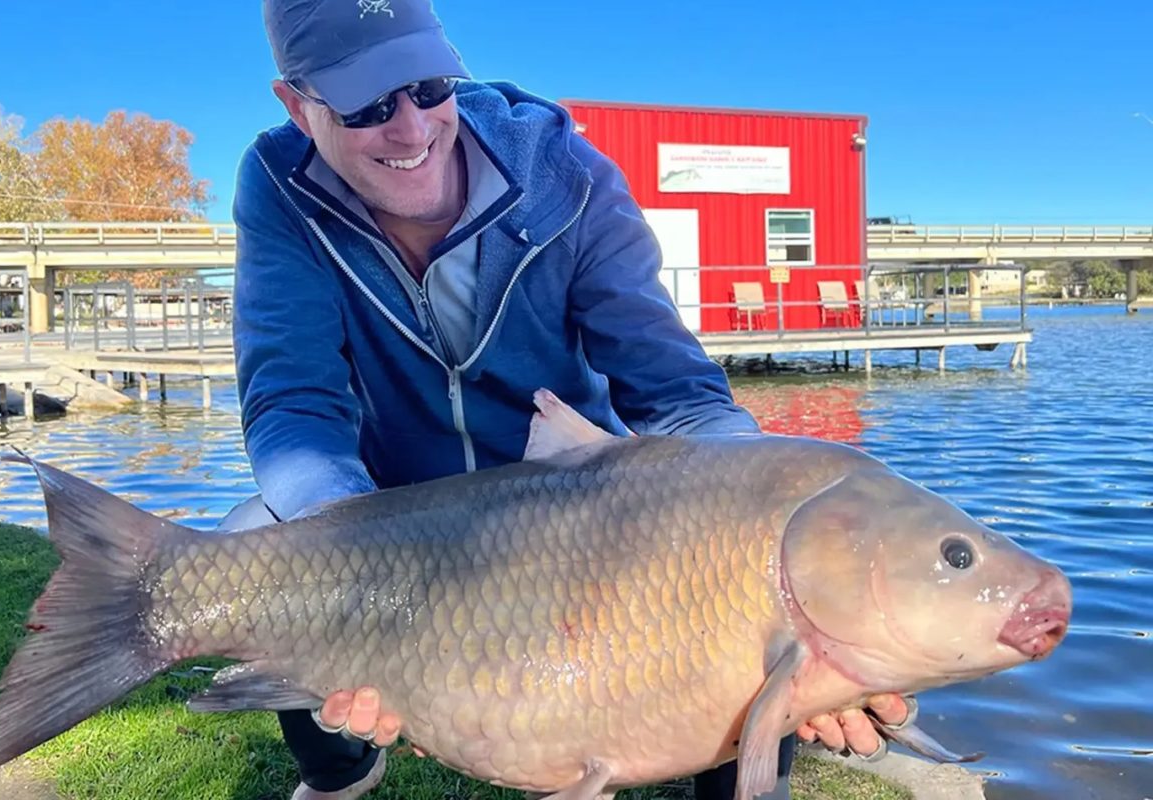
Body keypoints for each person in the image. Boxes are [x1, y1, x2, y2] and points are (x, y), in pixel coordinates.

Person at [227, 1, 917, 797]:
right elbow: (293, 402)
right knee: (264, 536)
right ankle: (341, 771)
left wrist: (760, 522)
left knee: (737, 586)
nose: (412, 130)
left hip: (575, 499)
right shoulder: (276, 185)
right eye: (366, 106)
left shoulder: (570, 177)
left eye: (427, 86)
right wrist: (350, 555)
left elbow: (675, 389)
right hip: (396, 505)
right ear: (296, 105)